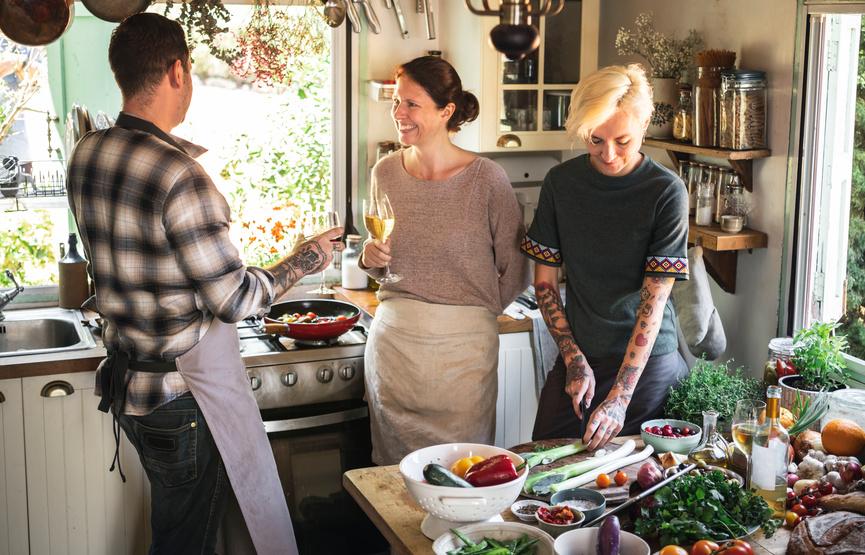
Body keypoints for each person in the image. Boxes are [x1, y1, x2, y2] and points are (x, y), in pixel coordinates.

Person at [65, 13, 341, 554]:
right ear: (178, 70)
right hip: (181, 399)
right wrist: (307, 258)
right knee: (186, 542)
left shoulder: (87, 154)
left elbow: (148, 262)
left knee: (177, 531)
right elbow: (233, 299)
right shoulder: (180, 175)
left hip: (128, 390)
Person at [360, 56, 529, 465]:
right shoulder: (385, 173)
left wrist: (475, 316)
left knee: (464, 474)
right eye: (396, 102)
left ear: (446, 111)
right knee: (392, 481)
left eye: (411, 104)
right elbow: (383, 254)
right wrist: (371, 257)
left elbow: (517, 267)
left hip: (463, 361)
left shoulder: (486, 178)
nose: (398, 113)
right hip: (395, 351)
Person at [521, 64, 690, 450]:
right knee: (542, 459)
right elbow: (545, 283)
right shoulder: (561, 184)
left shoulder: (666, 192)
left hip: (647, 366)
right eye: (595, 139)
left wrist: (619, 398)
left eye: (623, 141)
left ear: (644, 126)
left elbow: (654, 301)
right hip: (583, 353)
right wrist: (573, 358)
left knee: (625, 478)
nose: (608, 154)